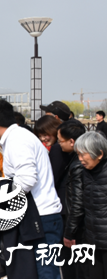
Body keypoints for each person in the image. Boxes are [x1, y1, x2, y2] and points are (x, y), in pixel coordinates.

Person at [0, 100, 63, 279]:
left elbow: (27, 180)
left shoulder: (17, 140)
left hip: (42, 218)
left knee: (45, 274)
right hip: (37, 217)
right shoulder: (16, 137)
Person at [73, 132, 107, 278]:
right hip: (92, 240)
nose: (80, 159)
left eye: (83, 155)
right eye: (78, 155)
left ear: (99, 154)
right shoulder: (85, 172)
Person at [57, 120, 88, 279]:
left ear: (72, 141)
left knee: (74, 269)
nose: (59, 144)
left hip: (78, 230)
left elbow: (77, 202)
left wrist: (69, 232)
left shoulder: (77, 164)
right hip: (87, 228)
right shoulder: (85, 160)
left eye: (60, 141)